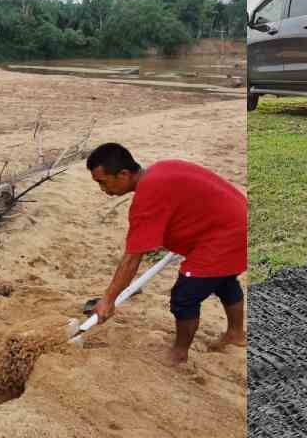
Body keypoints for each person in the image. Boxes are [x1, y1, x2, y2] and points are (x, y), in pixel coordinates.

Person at [86, 143, 247, 364]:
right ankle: (236, 334)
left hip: (226, 235)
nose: (102, 189)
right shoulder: (158, 171)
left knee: (184, 296)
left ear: (123, 174)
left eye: (103, 182)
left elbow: (132, 258)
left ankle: (179, 353)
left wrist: (107, 300)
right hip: (237, 219)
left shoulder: (148, 195)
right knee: (223, 280)